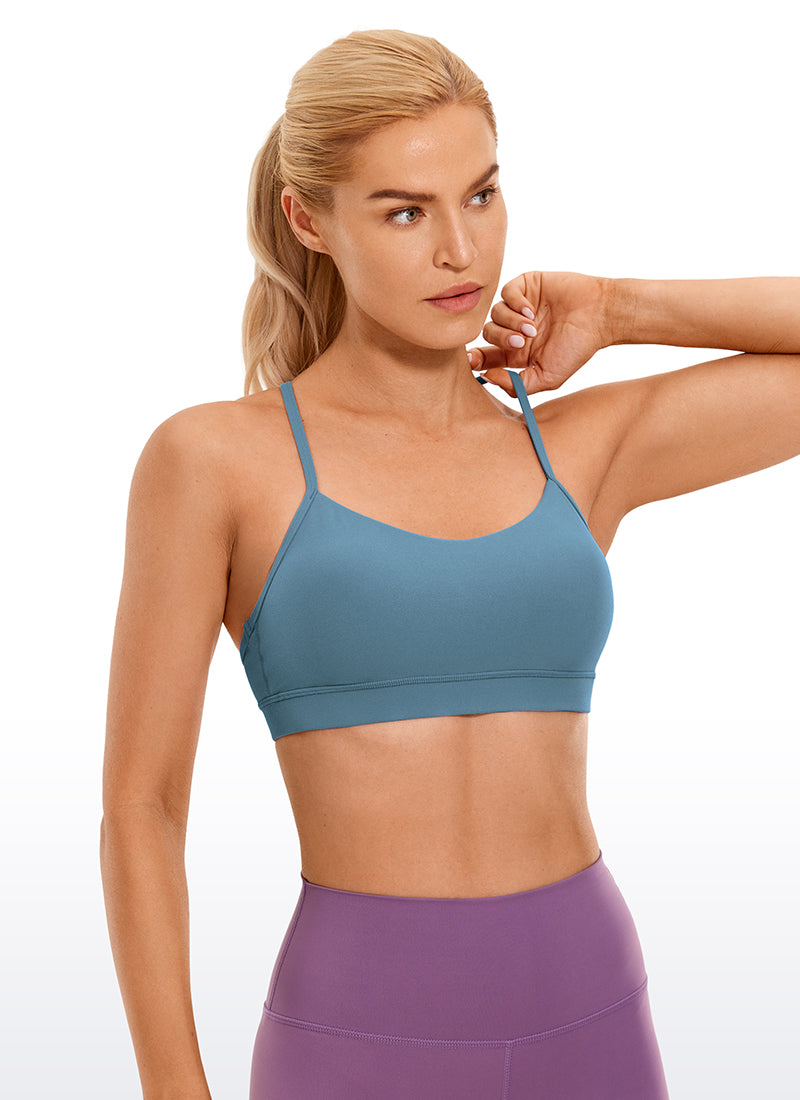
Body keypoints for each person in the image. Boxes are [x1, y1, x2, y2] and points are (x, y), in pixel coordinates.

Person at [99, 27, 799, 1100]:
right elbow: (142, 808)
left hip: (593, 1014)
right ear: (309, 220)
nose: (460, 252)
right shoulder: (216, 462)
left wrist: (619, 308)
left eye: (480, 195)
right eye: (404, 211)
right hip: (357, 1035)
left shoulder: (574, 452)